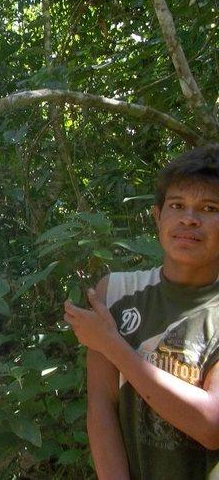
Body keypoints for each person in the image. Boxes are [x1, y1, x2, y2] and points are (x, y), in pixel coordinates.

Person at [64, 144, 219, 479]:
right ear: (157, 216)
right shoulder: (116, 292)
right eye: (177, 205)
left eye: (208, 208)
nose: (189, 219)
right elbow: (102, 406)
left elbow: (210, 425)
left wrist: (112, 345)